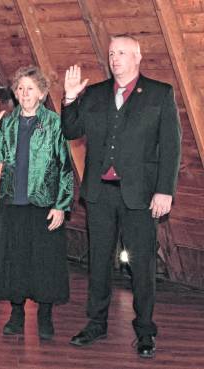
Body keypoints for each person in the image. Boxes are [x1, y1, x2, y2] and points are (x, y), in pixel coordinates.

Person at [62, 34, 181, 358]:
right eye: (112, 53)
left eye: (122, 53)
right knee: (98, 264)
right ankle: (96, 323)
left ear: (138, 56)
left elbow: (171, 147)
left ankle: (144, 330)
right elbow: (71, 131)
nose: (115, 58)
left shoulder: (159, 93)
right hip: (100, 195)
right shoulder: (95, 94)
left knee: (142, 267)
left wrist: (164, 190)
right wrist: (70, 99)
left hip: (140, 197)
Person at [0, 65, 74, 340]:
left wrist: (61, 205)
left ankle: (45, 317)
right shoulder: (8, 122)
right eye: (20, 89)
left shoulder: (55, 123)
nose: (24, 93)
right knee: (15, 261)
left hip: (44, 205)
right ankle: (16, 314)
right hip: (12, 204)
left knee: (44, 263)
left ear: (42, 93)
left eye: (30, 89)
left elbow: (65, 168)